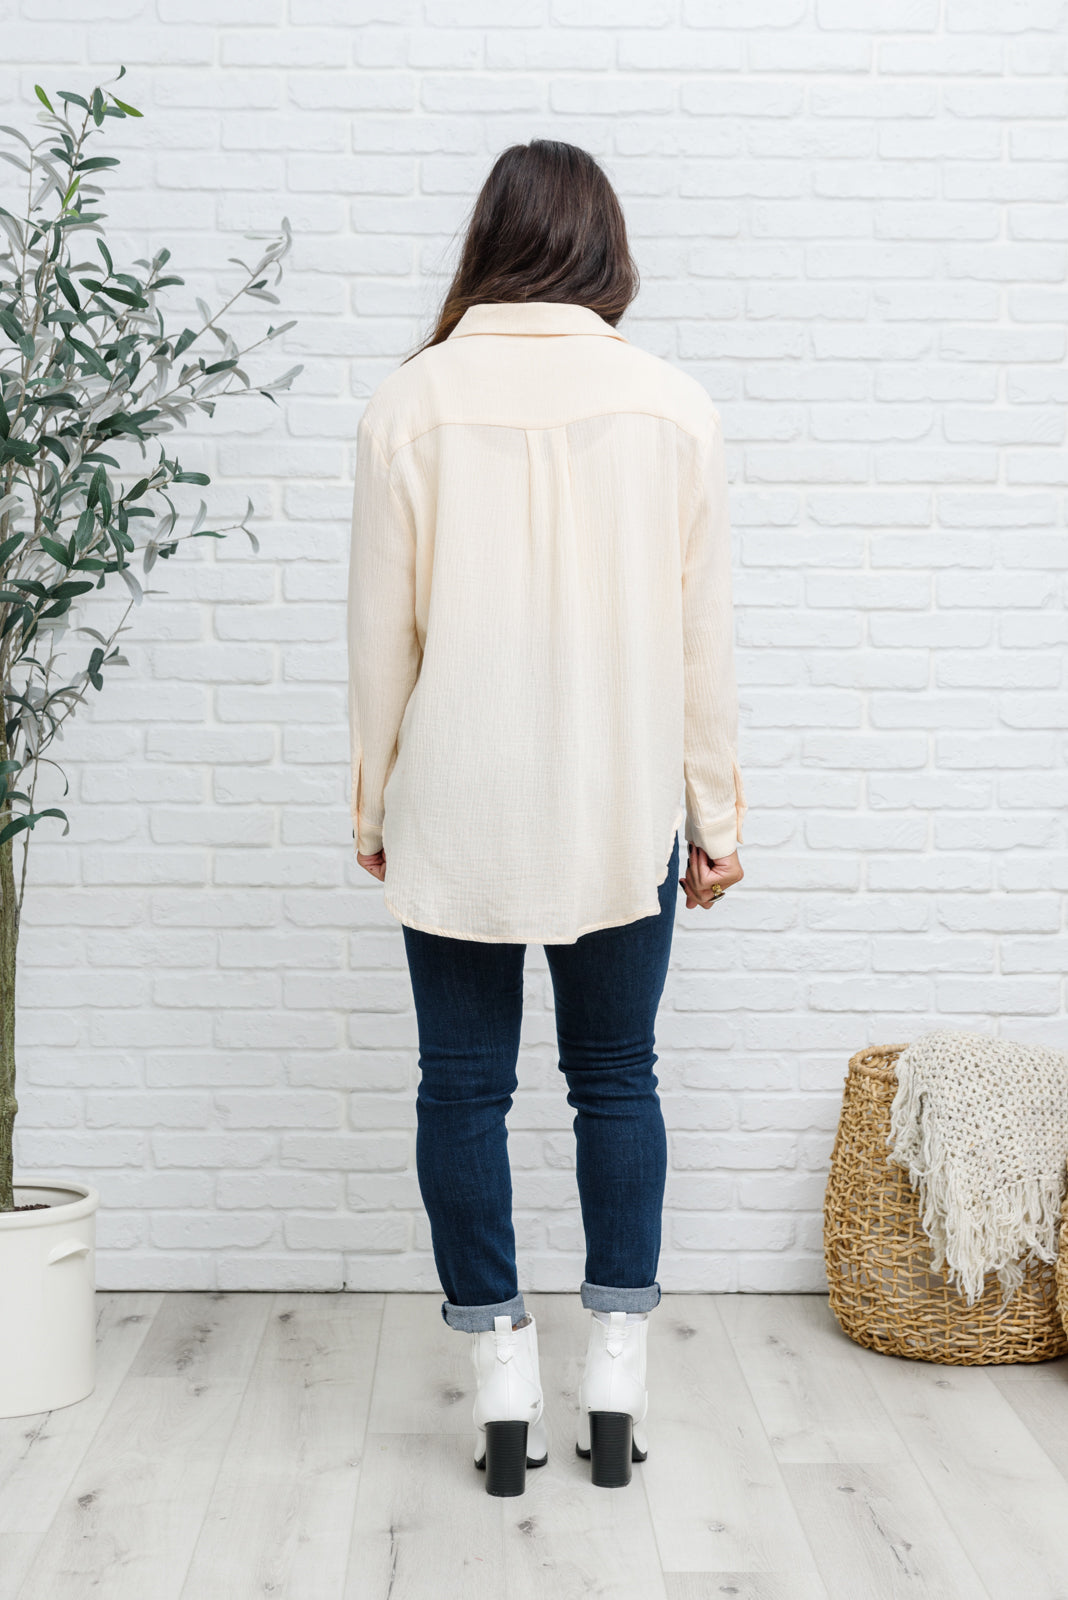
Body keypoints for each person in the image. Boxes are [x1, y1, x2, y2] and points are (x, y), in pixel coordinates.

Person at [347, 139, 746, 1497]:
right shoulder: (673, 408)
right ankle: (616, 1378)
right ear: (604, 249)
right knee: (617, 1077)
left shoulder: (408, 404)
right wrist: (714, 815)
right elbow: (701, 647)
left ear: (489, 242)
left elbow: (381, 641)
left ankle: (502, 1381)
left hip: (456, 797)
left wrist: (372, 798)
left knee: (461, 1087)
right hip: (620, 803)